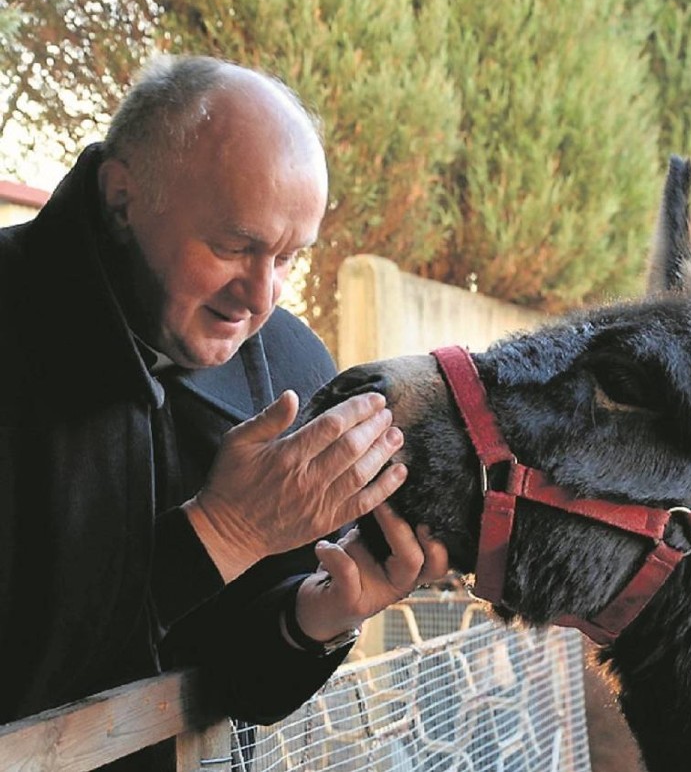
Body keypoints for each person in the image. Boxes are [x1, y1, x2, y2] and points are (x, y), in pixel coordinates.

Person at [0, 55, 448, 769]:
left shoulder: (292, 367)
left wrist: (322, 614)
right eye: (236, 245)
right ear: (122, 198)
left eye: (290, 257)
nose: (261, 296)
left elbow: (239, 684)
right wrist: (221, 533)